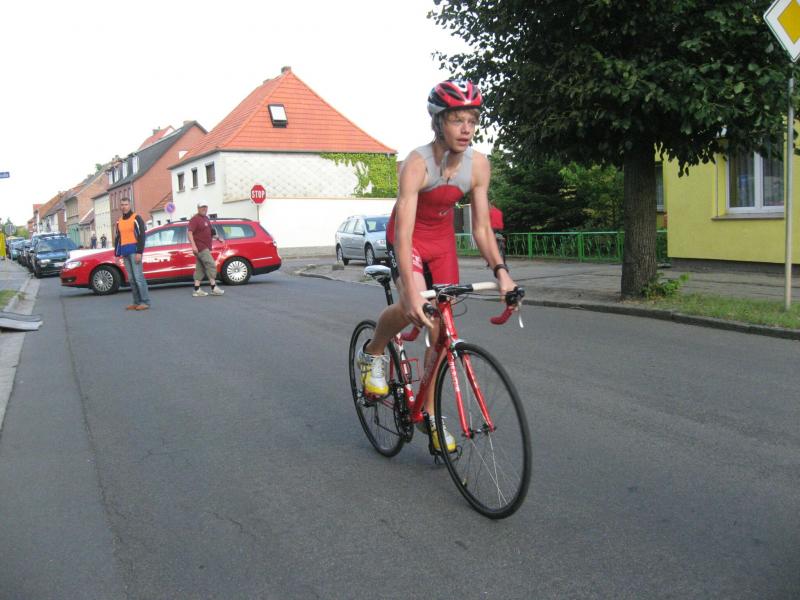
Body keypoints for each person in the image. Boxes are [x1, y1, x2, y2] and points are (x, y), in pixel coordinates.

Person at [357, 79, 516, 453]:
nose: (466, 129)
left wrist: (502, 272)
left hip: (442, 241)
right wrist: (412, 293)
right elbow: (404, 233)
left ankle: (429, 415)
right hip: (409, 237)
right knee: (412, 307)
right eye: (457, 120)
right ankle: (373, 352)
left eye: (472, 120)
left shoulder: (478, 165)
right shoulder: (417, 164)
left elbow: (481, 228)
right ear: (438, 122)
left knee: (442, 329)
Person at [114, 198, 150, 311]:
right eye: (122, 205)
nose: (124, 207)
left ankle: (145, 302)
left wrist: (139, 252)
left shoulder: (136, 218)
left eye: (126, 204)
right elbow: (118, 238)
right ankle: (136, 302)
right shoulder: (119, 221)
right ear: (120, 206)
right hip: (125, 252)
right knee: (131, 279)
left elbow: (142, 236)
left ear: (130, 205)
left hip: (134, 252)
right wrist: (116, 254)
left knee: (138, 278)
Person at [188, 202, 224, 297]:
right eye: (202, 207)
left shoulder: (206, 218)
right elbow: (190, 233)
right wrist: (193, 246)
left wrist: (218, 238)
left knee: (200, 268)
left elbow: (211, 232)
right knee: (211, 264)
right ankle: (214, 288)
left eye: (205, 207)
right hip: (200, 247)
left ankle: (197, 289)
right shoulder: (195, 219)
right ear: (198, 208)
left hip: (205, 247)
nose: (204, 208)